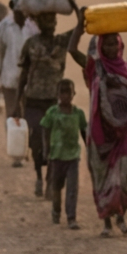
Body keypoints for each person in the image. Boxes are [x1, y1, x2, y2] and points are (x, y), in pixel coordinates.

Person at [70, 27, 127, 238]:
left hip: (125, 133)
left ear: (120, 45)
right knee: (102, 179)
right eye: (107, 44)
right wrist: (80, 22)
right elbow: (72, 50)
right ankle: (107, 222)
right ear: (100, 47)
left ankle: (121, 217)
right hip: (101, 134)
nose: (111, 48)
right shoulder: (95, 68)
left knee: (124, 178)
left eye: (114, 43)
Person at [18, 12, 78, 197]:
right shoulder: (31, 44)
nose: (50, 22)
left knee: (54, 143)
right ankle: (38, 176)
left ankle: (50, 181)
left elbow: (80, 29)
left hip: (55, 101)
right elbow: (24, 74)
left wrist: (76, 9)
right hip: (33, 101)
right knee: (36, 141)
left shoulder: (62, 42)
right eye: (45, 19)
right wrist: (16, 103)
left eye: (52, 19)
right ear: (38, 22)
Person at [40, 78, 88, 230]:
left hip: (73, 156)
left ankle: (71, 217)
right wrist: (46, 149)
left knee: (72, 188)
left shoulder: (78, 114)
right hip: (56, 156)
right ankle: (56, 212)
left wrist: (90, 149)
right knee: (56, 187)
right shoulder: (52, 113)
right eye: (62, 92)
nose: (65, 96)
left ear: (74, 94)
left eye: (68, 92)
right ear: (57, 94)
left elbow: (84, 132)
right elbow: (45, 129)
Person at [0, 4, 38, 136]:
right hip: (9, 80)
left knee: (29, 115)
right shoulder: (3, 26)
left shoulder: (33, 27)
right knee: (12, 115)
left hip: (30, 81)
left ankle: (26, 147)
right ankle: (16, 150)